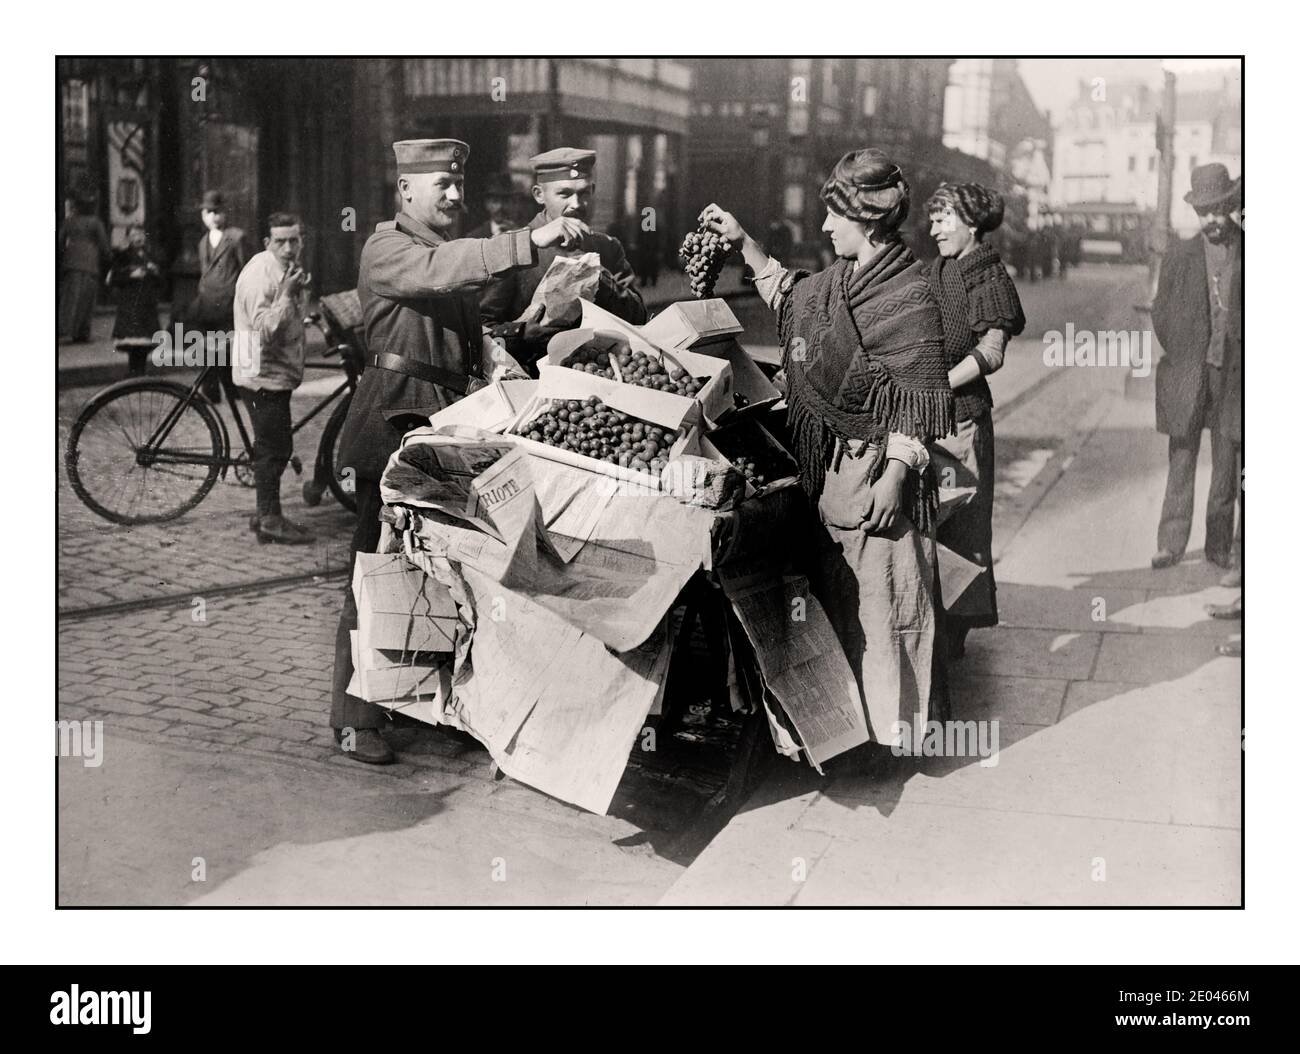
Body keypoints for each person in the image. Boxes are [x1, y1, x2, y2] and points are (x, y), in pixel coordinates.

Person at [331, 137, 589, 764]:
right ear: (405, 191)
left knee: (435, 571)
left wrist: (529, 325)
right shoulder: (388, 247)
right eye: (440, 185)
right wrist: (529, 242)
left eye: (457, 185)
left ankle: (409, 700)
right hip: (393, 426)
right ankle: (353, 717)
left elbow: (465, 330)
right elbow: (443, 271)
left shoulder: (438, 251)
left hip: (440, 428)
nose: (454, 195)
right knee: (376, 570)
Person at [700, 149, 956, 763]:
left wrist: (896, 474)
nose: (822, 228)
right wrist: (745, 244)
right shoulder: (837, 283)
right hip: (833, 475)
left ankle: (892, 741)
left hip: (879, 478)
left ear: (866, 220)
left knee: (886, 604)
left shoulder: (910, 293)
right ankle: (849, 734)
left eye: (832, 216)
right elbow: (793, 301)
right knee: (846, 606)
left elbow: (920, 396)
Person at [925, 183, 1026, 660]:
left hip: (963, 419)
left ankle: (954, 633)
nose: (934, 229)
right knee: (932, 522)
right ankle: (934, 620)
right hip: (930, 416)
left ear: (970, 222)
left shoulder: (990, 277)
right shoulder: (940, 269)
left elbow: (991, 351)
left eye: (943, 219)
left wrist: (940, 384)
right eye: (933, 220)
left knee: (962, 526)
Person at [479, 147, 646, 375]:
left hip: (601, 380)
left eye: (585, 193)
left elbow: (638, 318)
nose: (577, 204)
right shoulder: (514, 248)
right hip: (534, 382)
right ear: (539, 195)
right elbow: (482, 330)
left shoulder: (607, 247)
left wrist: (600, 277)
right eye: (564, 194)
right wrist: (522, 334)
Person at [1150, 163, 1242, 571]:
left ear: (1231, 206)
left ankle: (1218, 547)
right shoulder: (1180, 254)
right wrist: (1185, 351)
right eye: (1203, 212)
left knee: (1226, 465)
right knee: (1182, 460)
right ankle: (1171, 543)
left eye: (1218, 211)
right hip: (1190, 373)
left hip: (1235, 377)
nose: (1211, 220)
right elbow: (1161, 312)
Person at [232, 212, 313, 545]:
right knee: (274, 448)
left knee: (274, 445)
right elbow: (264, 330)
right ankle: (269, 519)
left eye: (294, 240)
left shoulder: (283, 270)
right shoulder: (262, 275)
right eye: (280, 241)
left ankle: (266, 513)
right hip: (260, 373)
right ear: (268, 243)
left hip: (270, 369)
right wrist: (286, 294)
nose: (288, 247)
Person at [191, 190, 249, 404]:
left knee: (227, 347)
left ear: (225, 213)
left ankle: (233, 390)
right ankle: (211, 391)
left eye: (217, 212)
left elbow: (245, 269)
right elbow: (204, 272)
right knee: (209, 347)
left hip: (228, 301)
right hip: (207, 302)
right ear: (203, 215)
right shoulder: (203, 241)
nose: (213, 217)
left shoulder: (236, 238)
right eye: (208, 212)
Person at [107, 225, 165, 377]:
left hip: (146, 305)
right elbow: (113, 278)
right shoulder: (123, 256)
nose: (138, 238)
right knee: (133, 343)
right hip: (130, 304)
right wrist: (131, 275)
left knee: (145, 342)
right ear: (128, 238)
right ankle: (133, 371)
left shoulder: (150, 255)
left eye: (140, 234)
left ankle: (141, 371)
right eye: (133, 235)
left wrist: (155, 272)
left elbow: (161, 283)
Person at [58, 194, 110, 343]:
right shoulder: (95, 222)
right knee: (86, 300)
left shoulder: (69, 221)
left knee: (69, 299)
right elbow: (104, 245)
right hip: (90, 263)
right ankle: (81, 333)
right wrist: (108, 256)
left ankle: (64, 330)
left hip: (71, 263)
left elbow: (60, 242)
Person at [464, 172, 520, 239]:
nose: (500, 207)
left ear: (513, 204)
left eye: (506, 201)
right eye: (495, 201)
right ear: (487, 204)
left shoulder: (522, 235)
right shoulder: (474, 237)